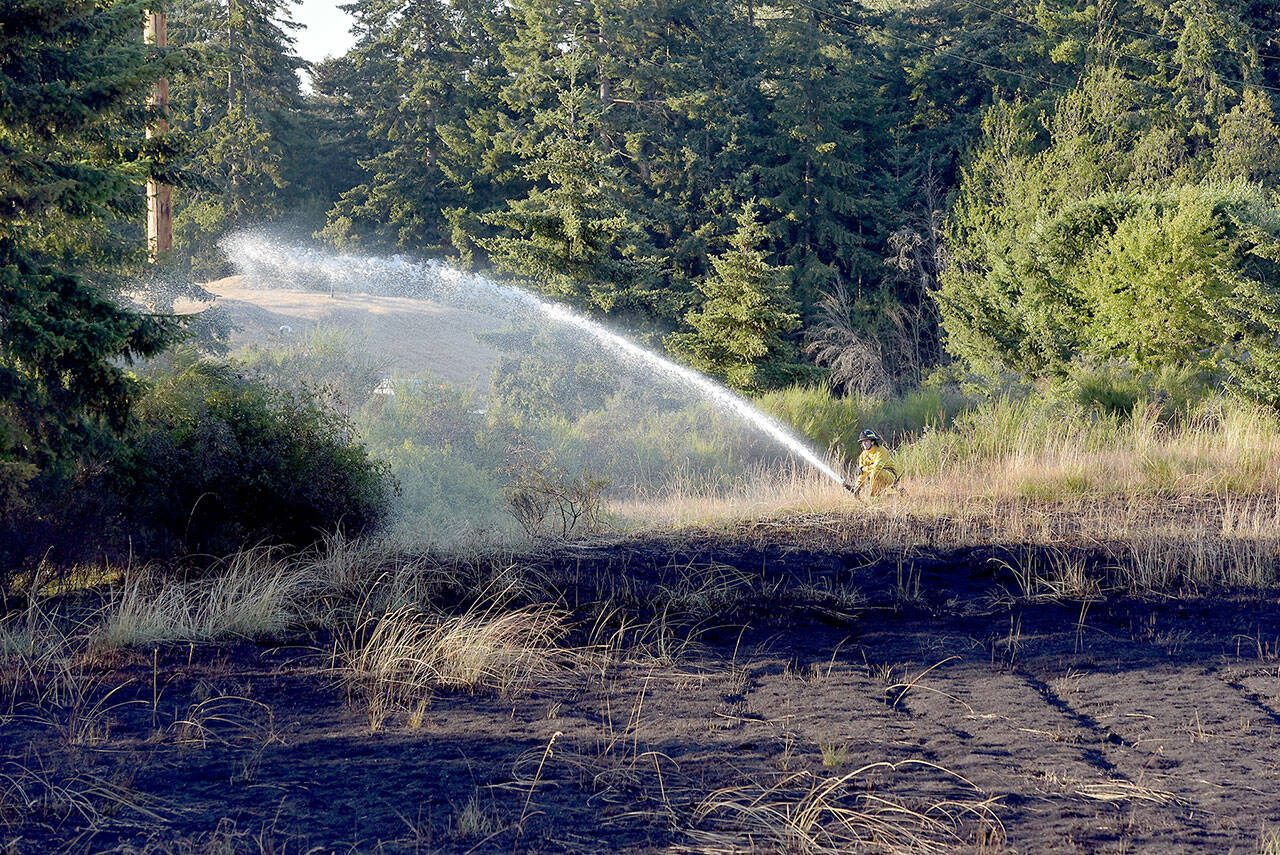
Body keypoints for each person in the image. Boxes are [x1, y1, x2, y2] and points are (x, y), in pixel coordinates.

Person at [852, 429, 898, 497]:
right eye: (862, 441)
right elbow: (862, 473)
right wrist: (858, 487)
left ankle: (874, 497)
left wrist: (864, 468)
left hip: (889, 476)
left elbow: (877, 467)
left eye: (866, 441)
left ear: (872, 441)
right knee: (882, 496)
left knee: (874, 472)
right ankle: (898, 495)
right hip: (877, 476)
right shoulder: (863, 455)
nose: (864, 443)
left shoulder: (881, 450)